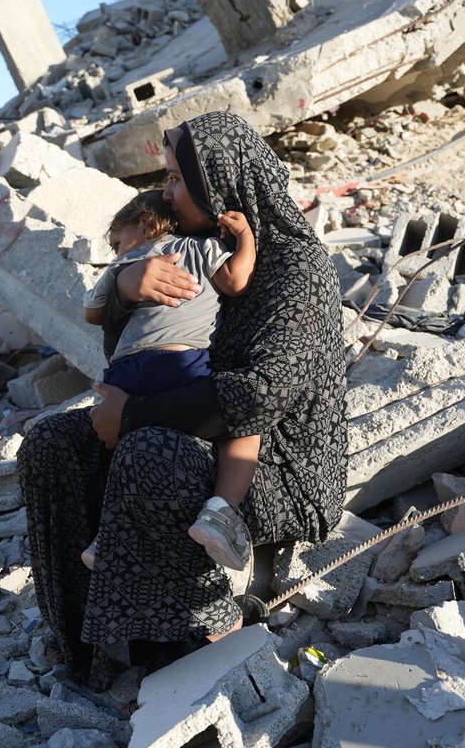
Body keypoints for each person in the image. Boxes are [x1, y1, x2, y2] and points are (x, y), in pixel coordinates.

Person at [17, 110, 348, 685]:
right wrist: (125, 289)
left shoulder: (298, 271)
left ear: (216, 184)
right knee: (50, 444)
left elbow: (259, 397)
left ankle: (198, 638)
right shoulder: (188, 248)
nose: (164, 193)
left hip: (270, 467)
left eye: (175, 179)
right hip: (193, 427)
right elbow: (136, 357)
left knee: (152, 454)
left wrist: (134, 416)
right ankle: (81, 642)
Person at [80, 190, 260, 570]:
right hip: (181, 362)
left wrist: (124, 283)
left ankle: (107, 537)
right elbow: (238, 282)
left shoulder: (121, 267)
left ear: (144, 224)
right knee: (242, 424)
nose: (116, 252)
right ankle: (221, 512)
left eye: (116, 242)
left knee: (123, 452)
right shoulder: (201, 249)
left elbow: (91, 314)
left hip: (124, 372)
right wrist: (245, 237)